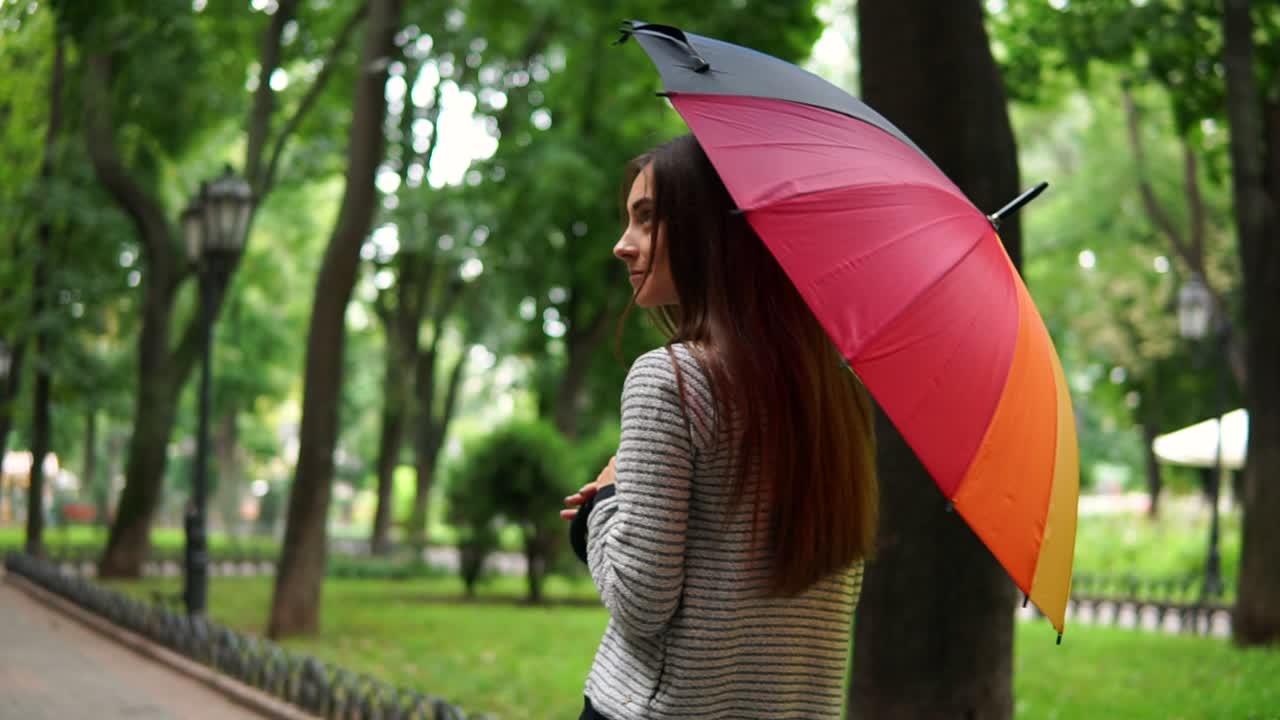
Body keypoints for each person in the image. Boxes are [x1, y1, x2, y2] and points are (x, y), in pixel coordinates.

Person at [561, 134, 879, 720]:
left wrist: (601, 507)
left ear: (712, 228)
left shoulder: (671, 377)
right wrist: (632, 502)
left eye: (647, 218)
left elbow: (640, 602)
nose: (621, 245)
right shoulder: (835, 390)